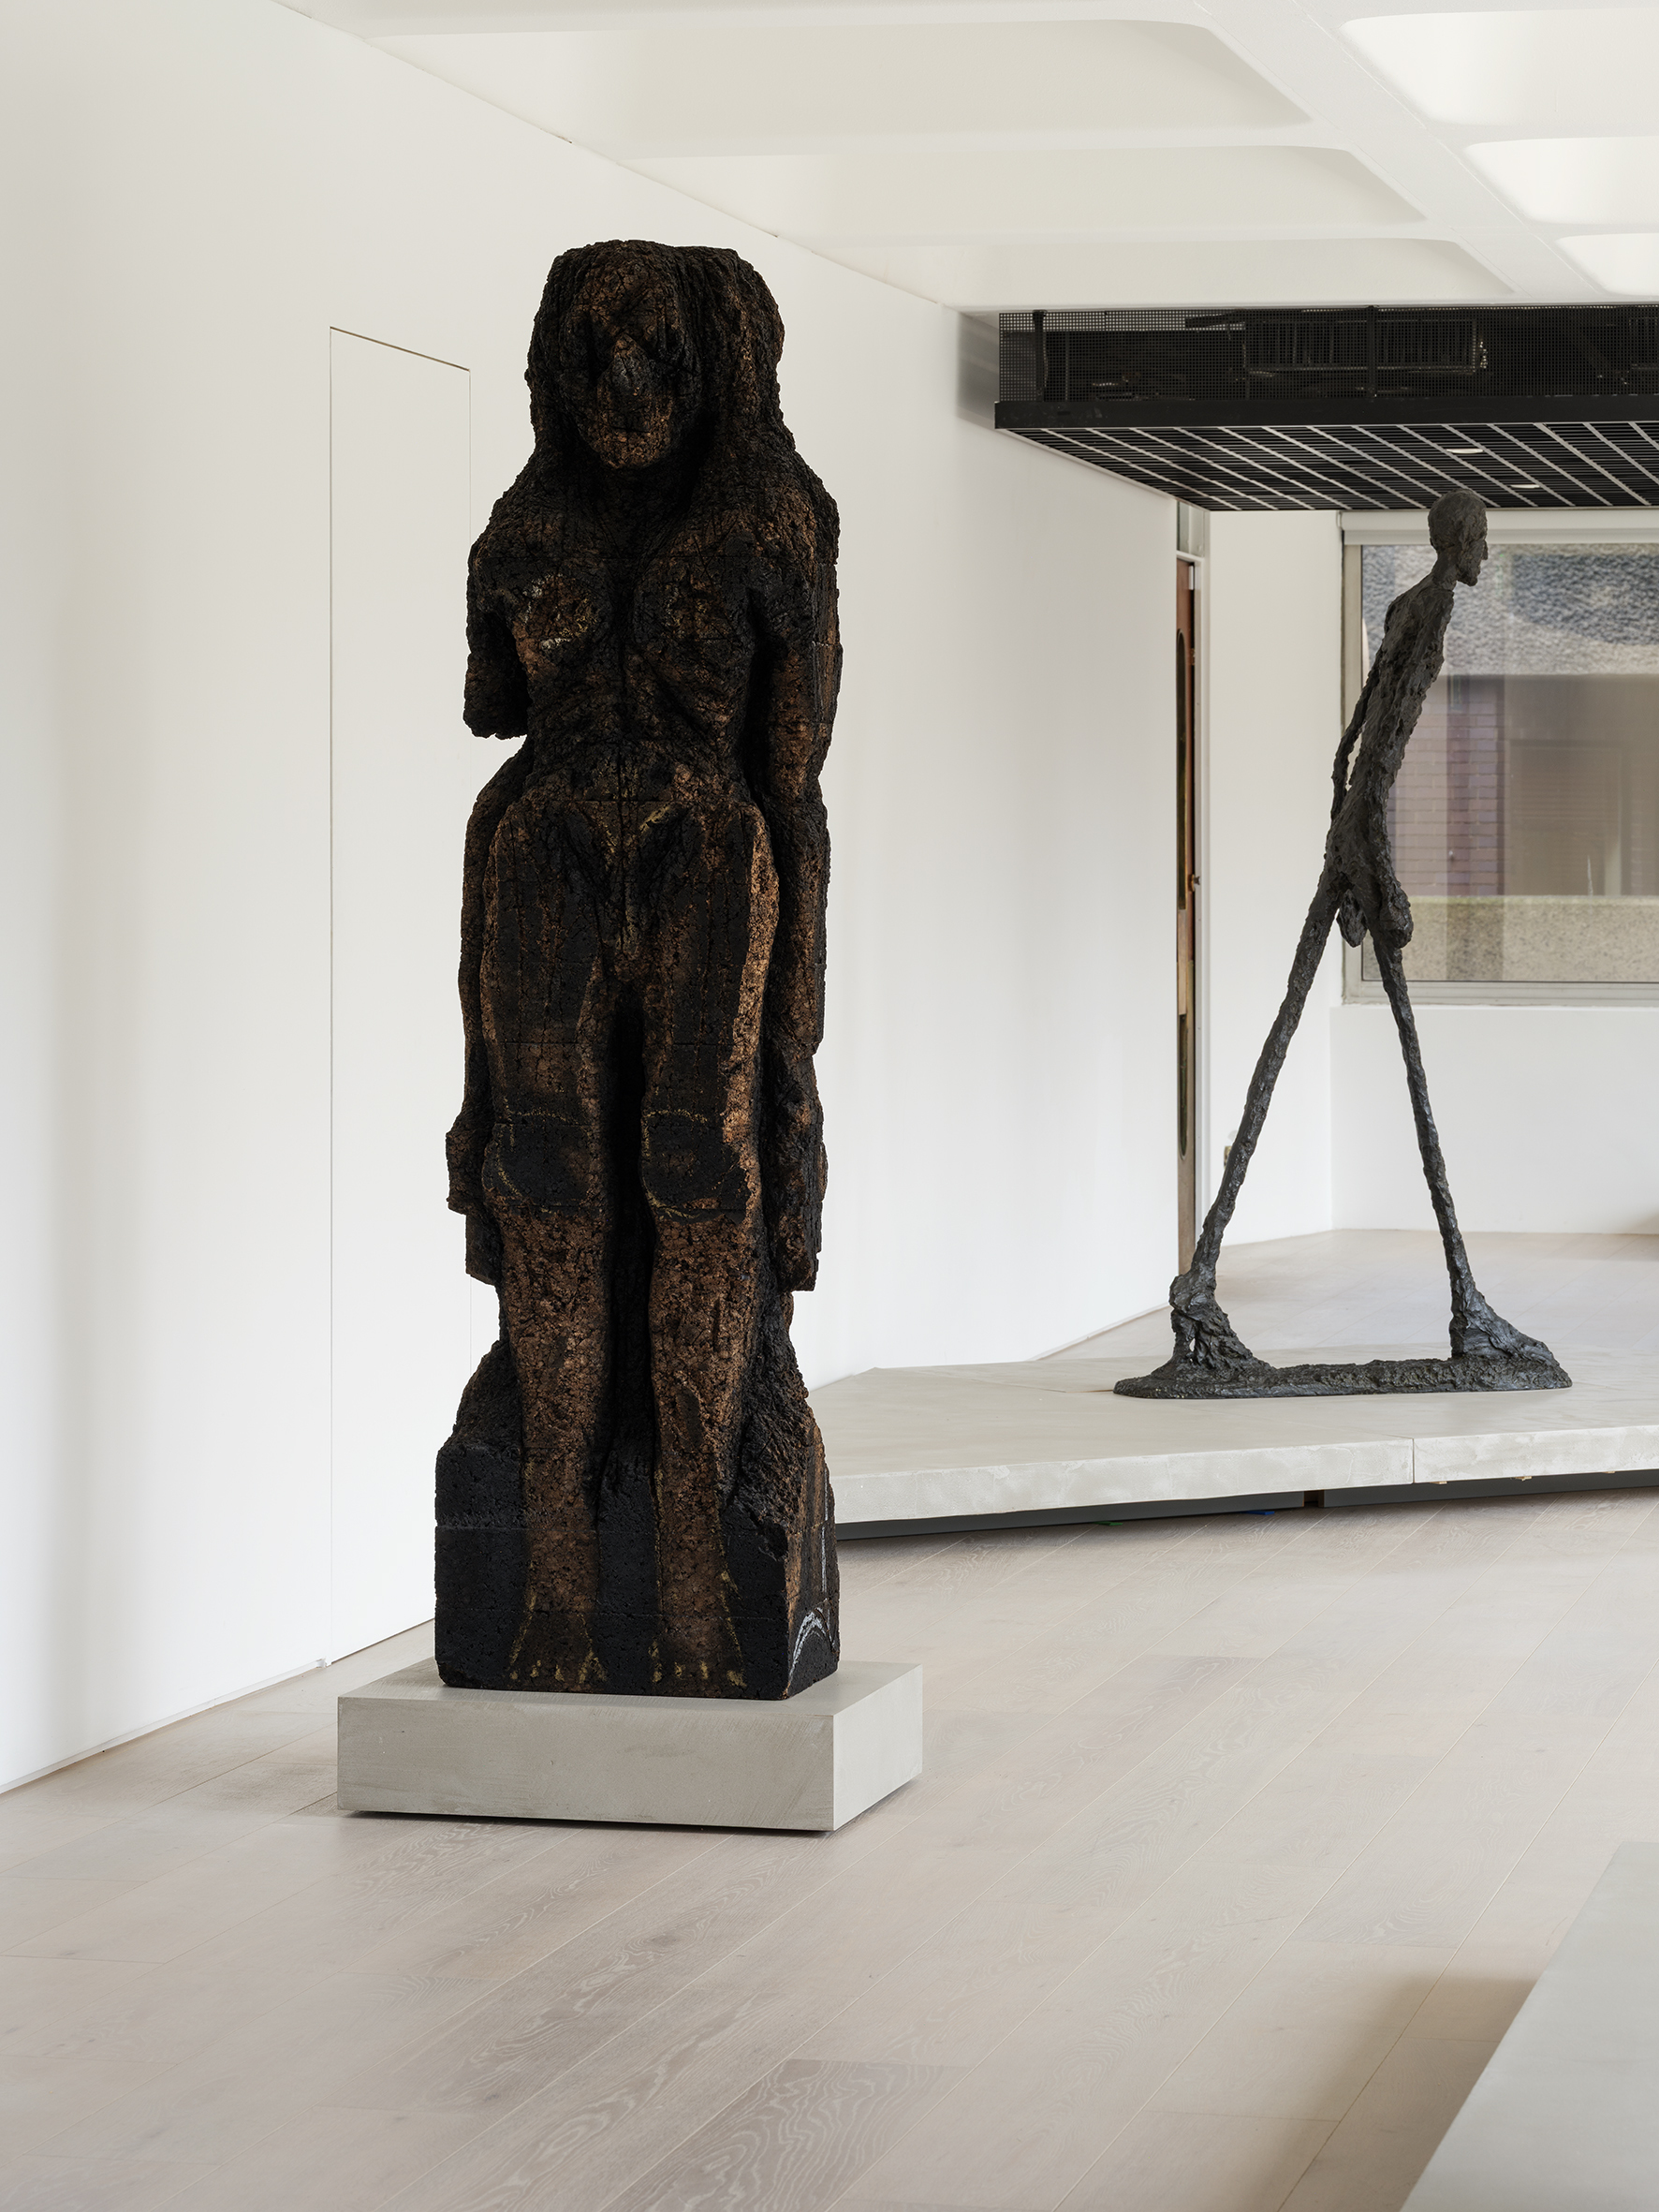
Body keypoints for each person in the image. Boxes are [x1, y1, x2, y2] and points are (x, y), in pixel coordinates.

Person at [434, 242, 842, 1694]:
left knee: (700, 1174)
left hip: (707, 862)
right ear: (554, 365)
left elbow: (792, 788)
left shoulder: (774, 524)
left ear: (715, 366)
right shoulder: (522, 530)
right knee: (545, 1183)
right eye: (594, 353)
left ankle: (688, 1554)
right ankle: (556, 1562)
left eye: (656, 354)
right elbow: (496, 714)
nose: (622, 387)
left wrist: (792, 1057)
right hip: (546, 855)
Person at [1125, 488, 1566, 1397]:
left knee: (1293, 1030)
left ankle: (1207, 1278)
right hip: (1359, 839)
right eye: (1478, 537)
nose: (1484, 552)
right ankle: (1464, 1307)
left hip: (1347, 833)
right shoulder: (1429, 610)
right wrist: (1377, 869)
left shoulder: (1402, 604)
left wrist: (1345, 837)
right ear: (1454, 540)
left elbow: (1347, 751)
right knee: (1393, 1061)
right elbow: (1381, 751)